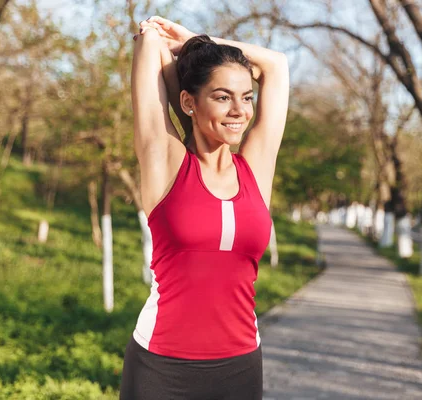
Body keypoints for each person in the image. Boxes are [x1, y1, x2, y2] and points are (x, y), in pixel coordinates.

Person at [120, 15, 289, 400]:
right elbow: (148, 48)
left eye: (246, 97)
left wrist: (199, 41)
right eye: (222, 96)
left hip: (241, 365)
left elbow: (276, 65)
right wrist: (153, 35)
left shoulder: (255, 170)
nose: (239, 110)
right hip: (161, 368)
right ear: (188, 102)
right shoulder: (165, 162)